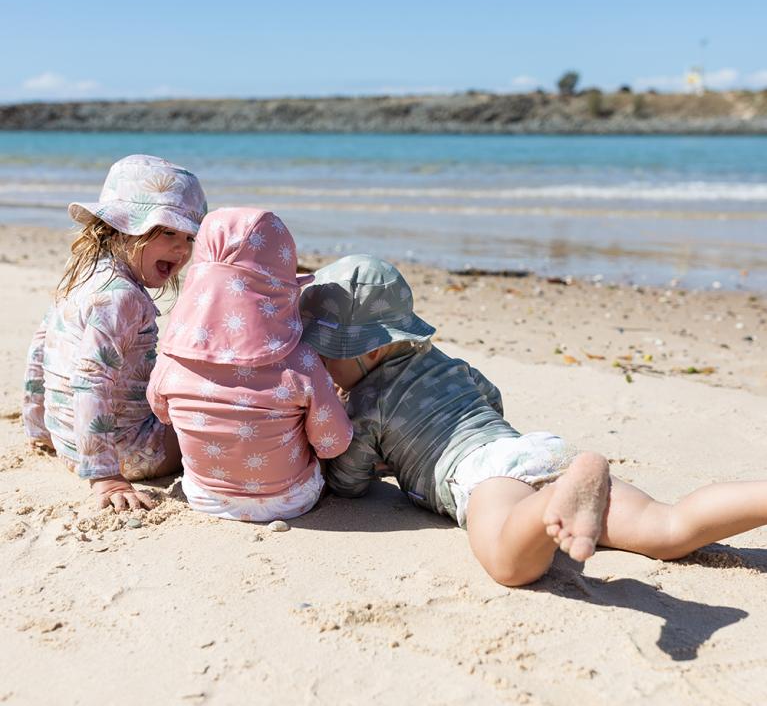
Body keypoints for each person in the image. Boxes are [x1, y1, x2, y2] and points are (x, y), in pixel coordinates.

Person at [299, 254, 767, 587]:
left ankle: (554, 504)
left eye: (325, 353)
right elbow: (490, 397)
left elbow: (348, 481)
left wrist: (342, 431)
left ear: (372, 349)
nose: (317, 362)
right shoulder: (444, 362)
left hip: (484, 473)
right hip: (540, 449)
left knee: (510, 565)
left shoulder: (365, 403)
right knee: (667, 528)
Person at [22, 154, 208, 511]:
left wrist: (39, 427)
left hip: (69, 441)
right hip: (130, 453)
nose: (182, 249)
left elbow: (40, 347)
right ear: (121, 227)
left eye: (188, 236)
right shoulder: (121, 298)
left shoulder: (82, 275)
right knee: (209, 407)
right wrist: (105, 476)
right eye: (167, 231)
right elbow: (91, 381)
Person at [146, 208, 353, 522]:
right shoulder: (301, 363)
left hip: (204, 496)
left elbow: (162, 413)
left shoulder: (171, 359)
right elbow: (332, 444)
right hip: (290, 500)